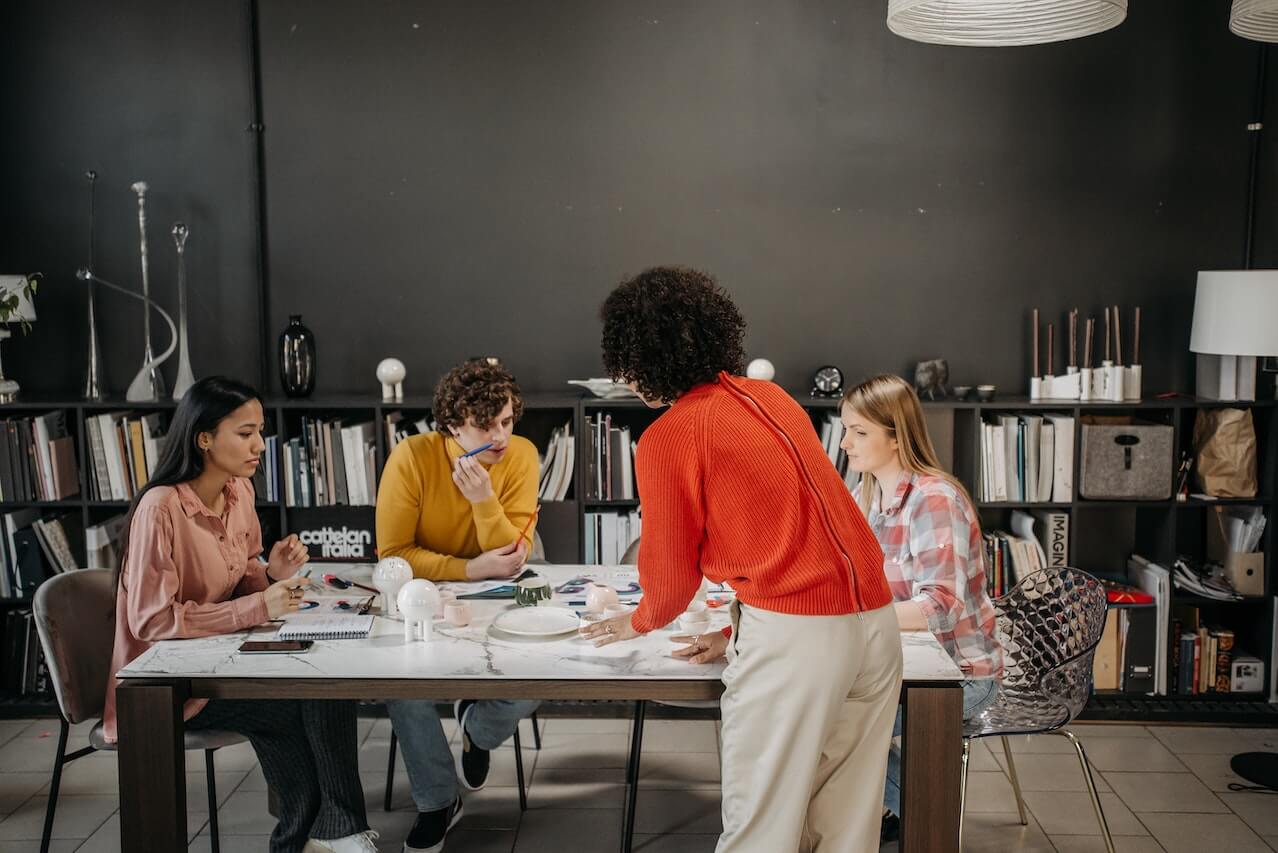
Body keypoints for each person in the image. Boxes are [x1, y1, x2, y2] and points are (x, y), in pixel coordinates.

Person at [580, 266, 903, 853]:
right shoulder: (771, 398)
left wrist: (639, 620)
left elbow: (673, 578)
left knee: (761, 831)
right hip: (874, 627)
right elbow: (798, 535)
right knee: (845, 829)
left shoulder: (670, 436)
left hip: (800, 643)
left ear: (638, 358)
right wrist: (737, 627)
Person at [103, 376, 376, 853]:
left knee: (330, 682)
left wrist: (271, 574)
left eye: (260, 431)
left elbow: (243, 572)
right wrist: (257, 605)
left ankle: (332, 833)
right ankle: (324, 836)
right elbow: (149, 621)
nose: (259, 445)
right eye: (245, 433)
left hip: (221, 660)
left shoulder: (238, 492)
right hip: (166, 687)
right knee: (294, 705)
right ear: (204, 438)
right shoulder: (160, 509)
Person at [375, 359, 540, 853]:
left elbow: (511, 555)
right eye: (485, 426)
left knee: (540, 670)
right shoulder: (412, 457)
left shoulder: (522, 456)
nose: (501, 436)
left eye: (507, 421)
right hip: (429, 592)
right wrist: (469, 569)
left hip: (500, 589)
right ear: (451, 425)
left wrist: (484, 500)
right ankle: (437, 801)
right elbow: (394, 554)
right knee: (400, 681)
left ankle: (477, 728)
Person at [839, 374, 1003, 841]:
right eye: (845, 428)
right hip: (899, 662)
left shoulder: (933, 500)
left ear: (896, 435)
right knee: (822, 711)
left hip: (961, 675)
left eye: (859, 431)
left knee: (833, 721)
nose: (845, 442)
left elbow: (941, 606)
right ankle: (889, 813)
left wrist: (848, 617)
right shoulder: (868, 495)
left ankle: (918, 814)